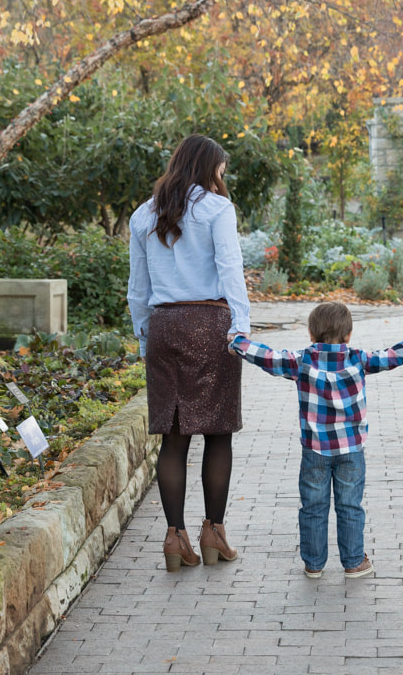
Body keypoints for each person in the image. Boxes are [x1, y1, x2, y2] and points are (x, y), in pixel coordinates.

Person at [228, 301, 403, 579]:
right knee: (350, 506)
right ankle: (353, 562)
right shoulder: (359, 358)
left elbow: (268, 356)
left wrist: (238, 341)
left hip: (314, 450)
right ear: (348, 335)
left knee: (313, 507)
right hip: (351, 449)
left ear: (311, 335)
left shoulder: (301, 361)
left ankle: (313, 564)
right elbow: (391, 356)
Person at [127, 134, 250, 572]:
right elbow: (230, 269)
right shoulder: (217, 210)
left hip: (164, 327)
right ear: (209, 166)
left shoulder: (144, 214)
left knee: (173, 439)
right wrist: (241, 328)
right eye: (221, 168)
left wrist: (146, 342)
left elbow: (137, 291)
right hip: (210, 324)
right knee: (218, 434)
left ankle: (174, 537)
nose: (223, 176)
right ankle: (213, 532)